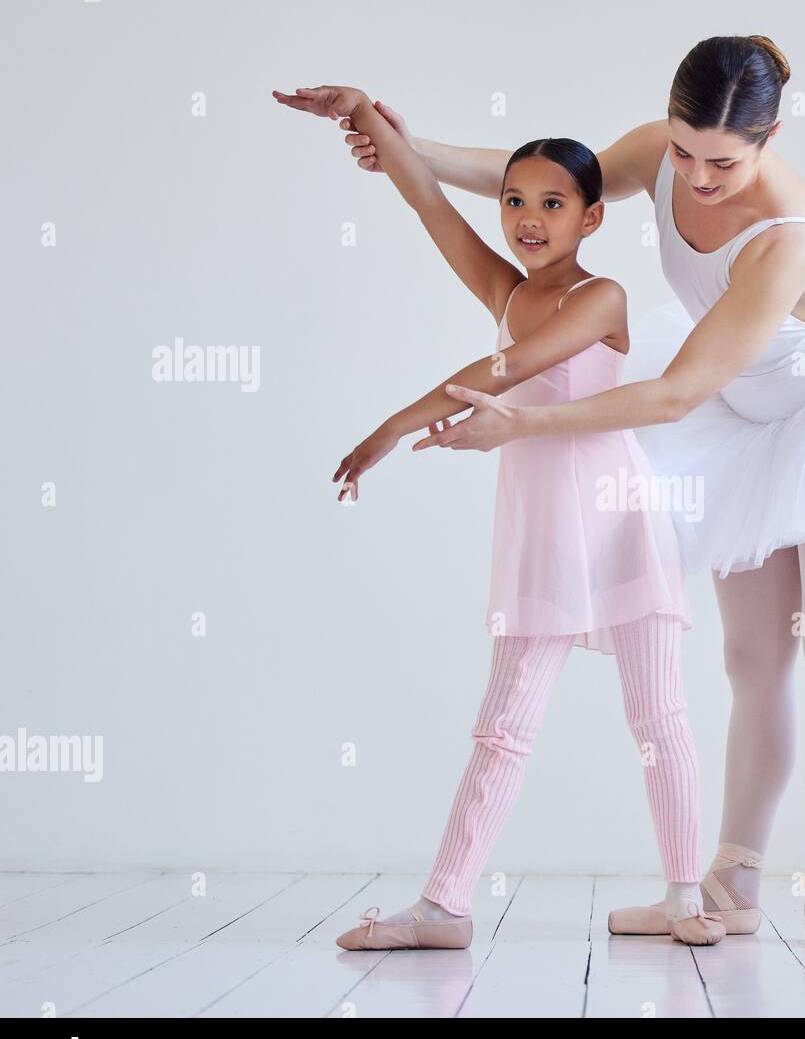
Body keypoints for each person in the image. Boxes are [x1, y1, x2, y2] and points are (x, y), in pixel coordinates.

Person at [277, 34, 805, 949]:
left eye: (723, 162)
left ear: (770, 135)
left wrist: (520, 426)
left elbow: (673, 393)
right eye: (684, 151)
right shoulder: (662, 154)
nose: (698, 178)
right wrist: (395, 140)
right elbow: (547, 177)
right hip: (746, 422)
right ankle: (730, 879)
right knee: (750, 663)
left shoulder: (785, 235)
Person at [272, 83, 723, 948]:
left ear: (592, 217)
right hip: (545, 537)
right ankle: (444, 907)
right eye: (515, 200)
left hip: (623, 523)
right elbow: (428, 203)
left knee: (658, 716)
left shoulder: (605, 298)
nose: (528, 218)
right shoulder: (508, 290)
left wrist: (388, 429)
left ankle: (683, 898)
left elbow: (506, 373)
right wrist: (360, 111)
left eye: (553, 203)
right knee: (504, 724)